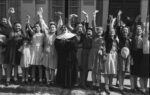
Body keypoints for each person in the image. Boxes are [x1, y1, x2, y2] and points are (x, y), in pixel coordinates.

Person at [55, 18, 78, 88]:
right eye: (63, 28)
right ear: (61, 29)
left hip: (70, 56)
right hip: (62, 56)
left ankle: (70, 83)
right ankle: (63, 83)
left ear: (67, 29)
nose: (64, 29)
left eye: (65, 28)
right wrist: (62, 42)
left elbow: (75, 45)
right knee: (62, 69)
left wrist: (69, 42)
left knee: (70, 70)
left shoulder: (73, 36)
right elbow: (56, 45)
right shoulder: (58, 37)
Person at [38, 9, 57, 85]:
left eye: (53, 27)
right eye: (51, 27)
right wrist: (40, 15)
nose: (52, 28)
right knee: (46, 67)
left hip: (54, 52)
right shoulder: (46, 34)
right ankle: (47, 80)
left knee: (52, 68)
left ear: (55, 29)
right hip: (46, 52)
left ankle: (52, 80)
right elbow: (42, 24)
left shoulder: (57, 35)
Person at [104, 16, 118, 94]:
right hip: (109, 55)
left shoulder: (116, 38)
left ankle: (110, 84)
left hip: (114, 55)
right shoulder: (107, 38)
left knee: (112, 71)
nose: (112, 32)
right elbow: (109, 28)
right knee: (107, 71)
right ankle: (106, 85)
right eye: (111, 31)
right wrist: (112, 22)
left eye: (113, 31)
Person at [130, 24, 143, 92]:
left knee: (137, 72)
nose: (139, 31)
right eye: (137, 29)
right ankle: (132, 87)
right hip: (134, 55)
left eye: (140, 29)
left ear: (142, 31)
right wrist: (131, 57)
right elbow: (131, 48)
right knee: (132, 72)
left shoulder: (144, 38)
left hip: (140, 56)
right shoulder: (133, 38)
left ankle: (136, 85)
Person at [139, 16, 149, 94]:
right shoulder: (145, 40)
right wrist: (146, 23)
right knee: (143, 75)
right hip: (145, 57)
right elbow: (146, 32)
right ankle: (142, 88)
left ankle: (145, 88)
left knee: (147, 75)